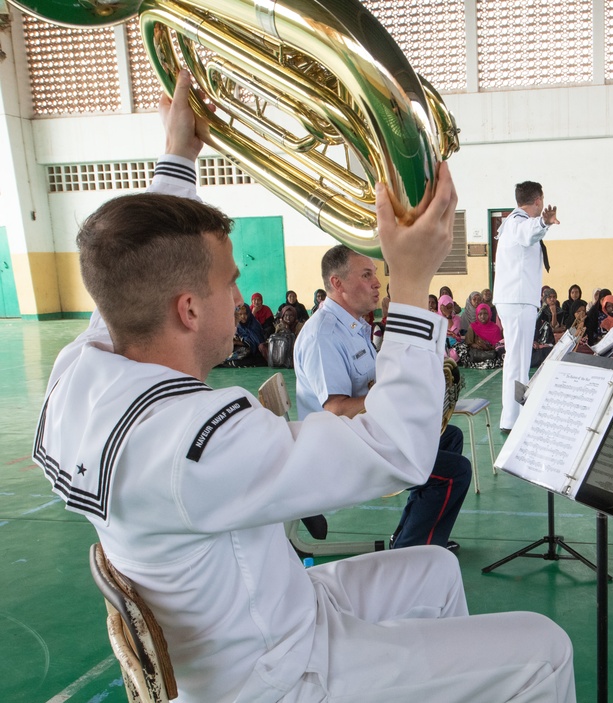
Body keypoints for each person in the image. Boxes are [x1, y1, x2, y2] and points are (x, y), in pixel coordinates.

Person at [33, 72, 575, 703]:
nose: (239, 298)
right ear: (187, 310)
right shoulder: (196, 446)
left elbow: (134, 269)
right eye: (228, 283)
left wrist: (178, 153)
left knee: (436, 566)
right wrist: (411, 283)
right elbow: (398, 450)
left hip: (259, 605)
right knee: (544, 647)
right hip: (278, 674)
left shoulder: (86, 366)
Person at [294, 243, 471, 551]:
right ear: (337, 284)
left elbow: (375, 383)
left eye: (374, 274)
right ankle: (411, 553)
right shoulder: (324, 335)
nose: (377, 283)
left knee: (448, 438)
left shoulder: (355, 326)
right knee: (455, 473)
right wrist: (395, 398)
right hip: (341, 447)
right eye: (366, 275)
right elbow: (335, 409)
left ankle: (411, 535)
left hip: (364, 432)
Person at [493, 181, 558, 431]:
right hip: (518, 300)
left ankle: (514, 414)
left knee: (516, 360)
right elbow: (529, 232)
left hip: (516, 299)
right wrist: (544, 222)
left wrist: (541, 225)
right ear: (539, 201)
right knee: (518, 361)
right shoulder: (519, 222)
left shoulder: (512, 221)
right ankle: (513, 418)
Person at [458, 303, 504, 368]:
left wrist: (487, 347)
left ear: (489, 314)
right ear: (477, 315)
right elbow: (468, 343)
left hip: (491, 354)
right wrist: (476, 345)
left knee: (496, 357)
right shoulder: (473, 327)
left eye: (485, 313)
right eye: (480, 314)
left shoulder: (495, 328)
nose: (483, 316)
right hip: (477, 353)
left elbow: (498, 345)